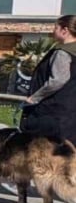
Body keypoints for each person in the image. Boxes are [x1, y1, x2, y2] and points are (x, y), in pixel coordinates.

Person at [20, 15, 76, 143]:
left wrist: (34, 98)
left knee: (41, 148)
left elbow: (59, 80)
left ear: (65, 30)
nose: (53, 31)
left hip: (54, 112)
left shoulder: (63, 52)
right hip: (71, 113)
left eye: (56, 28)